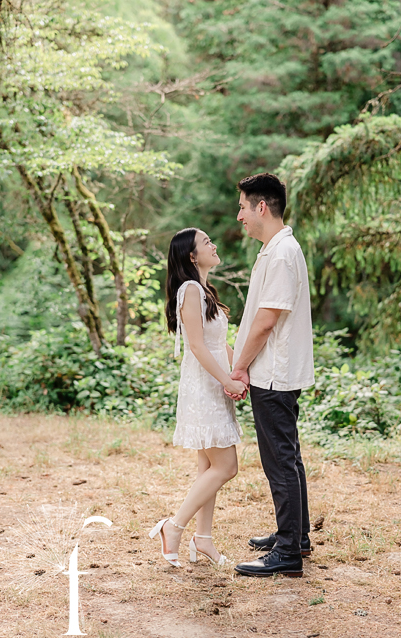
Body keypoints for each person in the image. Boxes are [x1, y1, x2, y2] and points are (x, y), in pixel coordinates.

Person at [228, 172, 315, 578]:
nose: (239, 215)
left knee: (279, 461)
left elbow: (266, 321)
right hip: (275, 373)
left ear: (261, 206)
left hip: (273, 374)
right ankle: (295, 537)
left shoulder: (281, 253)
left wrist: (240, 366)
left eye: (243, 207)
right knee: (288, 458)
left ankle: (287, 552)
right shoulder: (276, 249)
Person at [149, 227, 245, 567]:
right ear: (192, 256)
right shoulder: (190, 290)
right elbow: (197, 345)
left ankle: (203, 539)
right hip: (204, 389)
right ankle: (173, 527)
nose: (213, 244)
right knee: (226, 466)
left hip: (214, 384)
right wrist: (225, 380)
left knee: (208, 466)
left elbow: (219, 345)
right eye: (206, 242)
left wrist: (239, 371)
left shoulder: (203, 290)